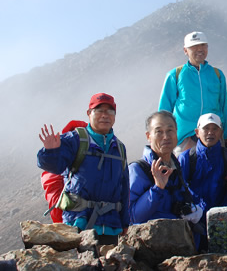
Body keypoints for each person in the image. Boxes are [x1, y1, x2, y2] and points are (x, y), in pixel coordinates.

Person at [37, 93, 129, 245]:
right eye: (99, 110)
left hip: (112, 226)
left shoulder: (119, 148)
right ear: (89, 113)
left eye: (110, 111)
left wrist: (125, 222)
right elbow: (54, 166)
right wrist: (50, 152)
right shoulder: (75, 140)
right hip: (79, 222)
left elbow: (124, 188)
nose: (105, 115)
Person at [158, 31, 227, 155]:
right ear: (185, 50)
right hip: (185, 137)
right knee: (185, 172)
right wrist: (163, 137)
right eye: (194, 46)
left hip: (213, 135)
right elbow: (165, 109)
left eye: (203, 45)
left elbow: (224, 105)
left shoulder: (217, 75)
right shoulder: (174, 75)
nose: (199, 49)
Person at [129, 111, 203, 226]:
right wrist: (157, 188)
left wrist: (195, 208)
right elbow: (133, 216)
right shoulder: (138, 170)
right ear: (148, 136)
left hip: (177, 237)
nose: (166, 137)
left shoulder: (176, 168)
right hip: (151, 240)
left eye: (170, 130)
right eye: (159, 132)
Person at [179, 113, 227, 250]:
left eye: (215, 129)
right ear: (197, 132)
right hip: (194, 218)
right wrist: (193, 210)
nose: (210, 133)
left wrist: (223, 211)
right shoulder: (186, 159)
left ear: (221, 133)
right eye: (206, 128)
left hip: (221, 218)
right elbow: (179, 189)